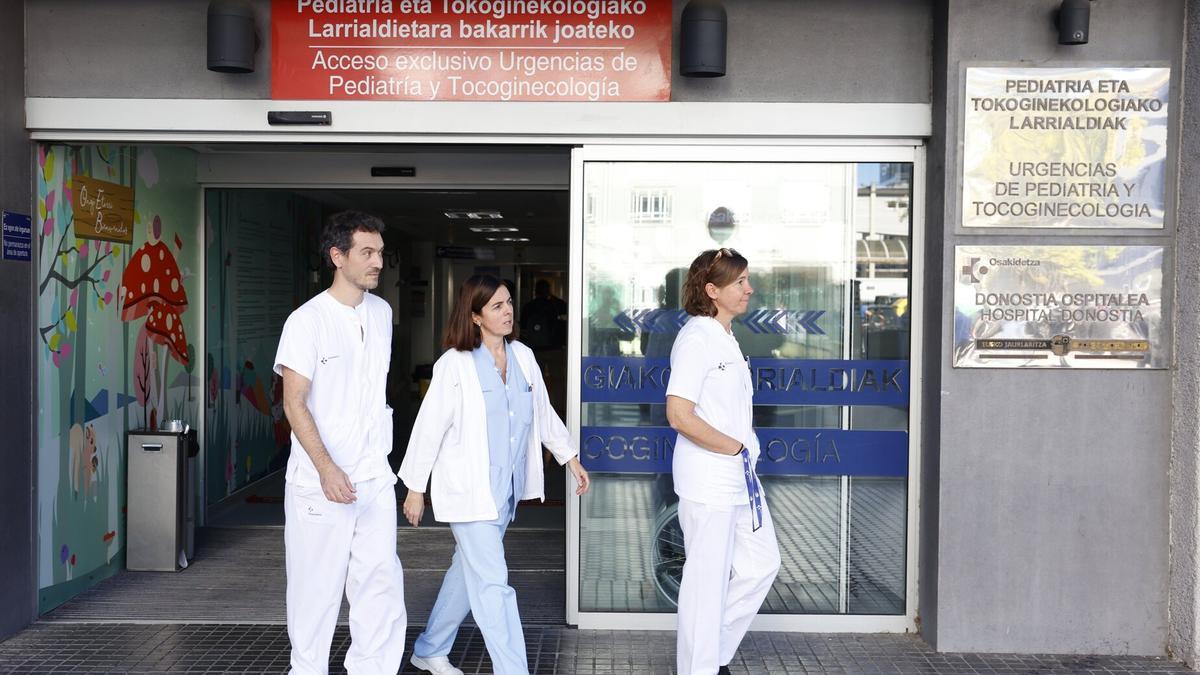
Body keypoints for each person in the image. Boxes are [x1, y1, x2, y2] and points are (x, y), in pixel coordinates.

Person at [399, 274, 591, 675]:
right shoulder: (455, 364)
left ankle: (430, 648)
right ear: (475, 316)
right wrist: (416, 487)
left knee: (467, 571)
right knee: (493, 584)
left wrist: (569, 457)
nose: (508, 312)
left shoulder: (522, 356)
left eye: (509, 303)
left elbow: (541, 411)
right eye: (497, 306)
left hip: (504, 491)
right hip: (469, 492)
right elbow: (428, 427)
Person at [273, 211, 406, 675]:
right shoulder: (306, 321)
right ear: (337, 256)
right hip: (320, 482)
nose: (378, 262)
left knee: (380, 583)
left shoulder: (382, 313)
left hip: (373, 475)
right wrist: (327, 468)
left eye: (380, 253)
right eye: (367, 253)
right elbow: (294, 402)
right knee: (316, 590)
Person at [665, 248, 781, 675]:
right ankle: (699, 668)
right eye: (740, 282)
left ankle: (711, 656)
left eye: (747, 280)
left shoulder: (726, 336)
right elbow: (679, 415)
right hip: (709, 480)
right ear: (712, 290)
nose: (749, 288)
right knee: (706, 585)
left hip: (740, 480)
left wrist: (742, 452)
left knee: (761, 565)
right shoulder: (697, 338)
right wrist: (734, 448)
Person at [519, 278, 567, 351]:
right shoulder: (554, 306)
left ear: (535, 291)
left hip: (532, 347)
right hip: (552, 346)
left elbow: (523, 327)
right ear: (548, 291)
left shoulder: (528, 306)